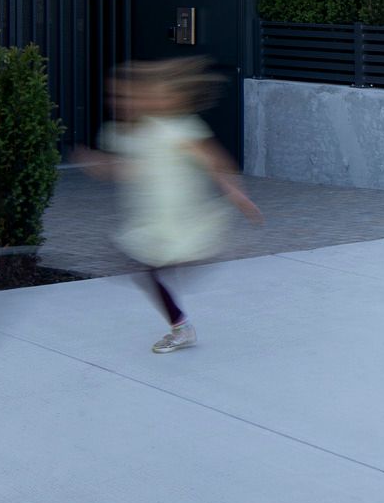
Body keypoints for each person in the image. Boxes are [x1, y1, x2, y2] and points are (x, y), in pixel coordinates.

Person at [78, 58, 261, 351]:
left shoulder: (178, 128)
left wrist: (236, 192)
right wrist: (97, 164)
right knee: (146, 267)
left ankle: (181, 322)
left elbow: (213, 160)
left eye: (128, 97)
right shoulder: (127, 134)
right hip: (150, 220)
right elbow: (125, 169)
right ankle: (181, 325)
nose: (121, 104)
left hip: (178, 217)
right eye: (116, 98)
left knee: (156, 264)